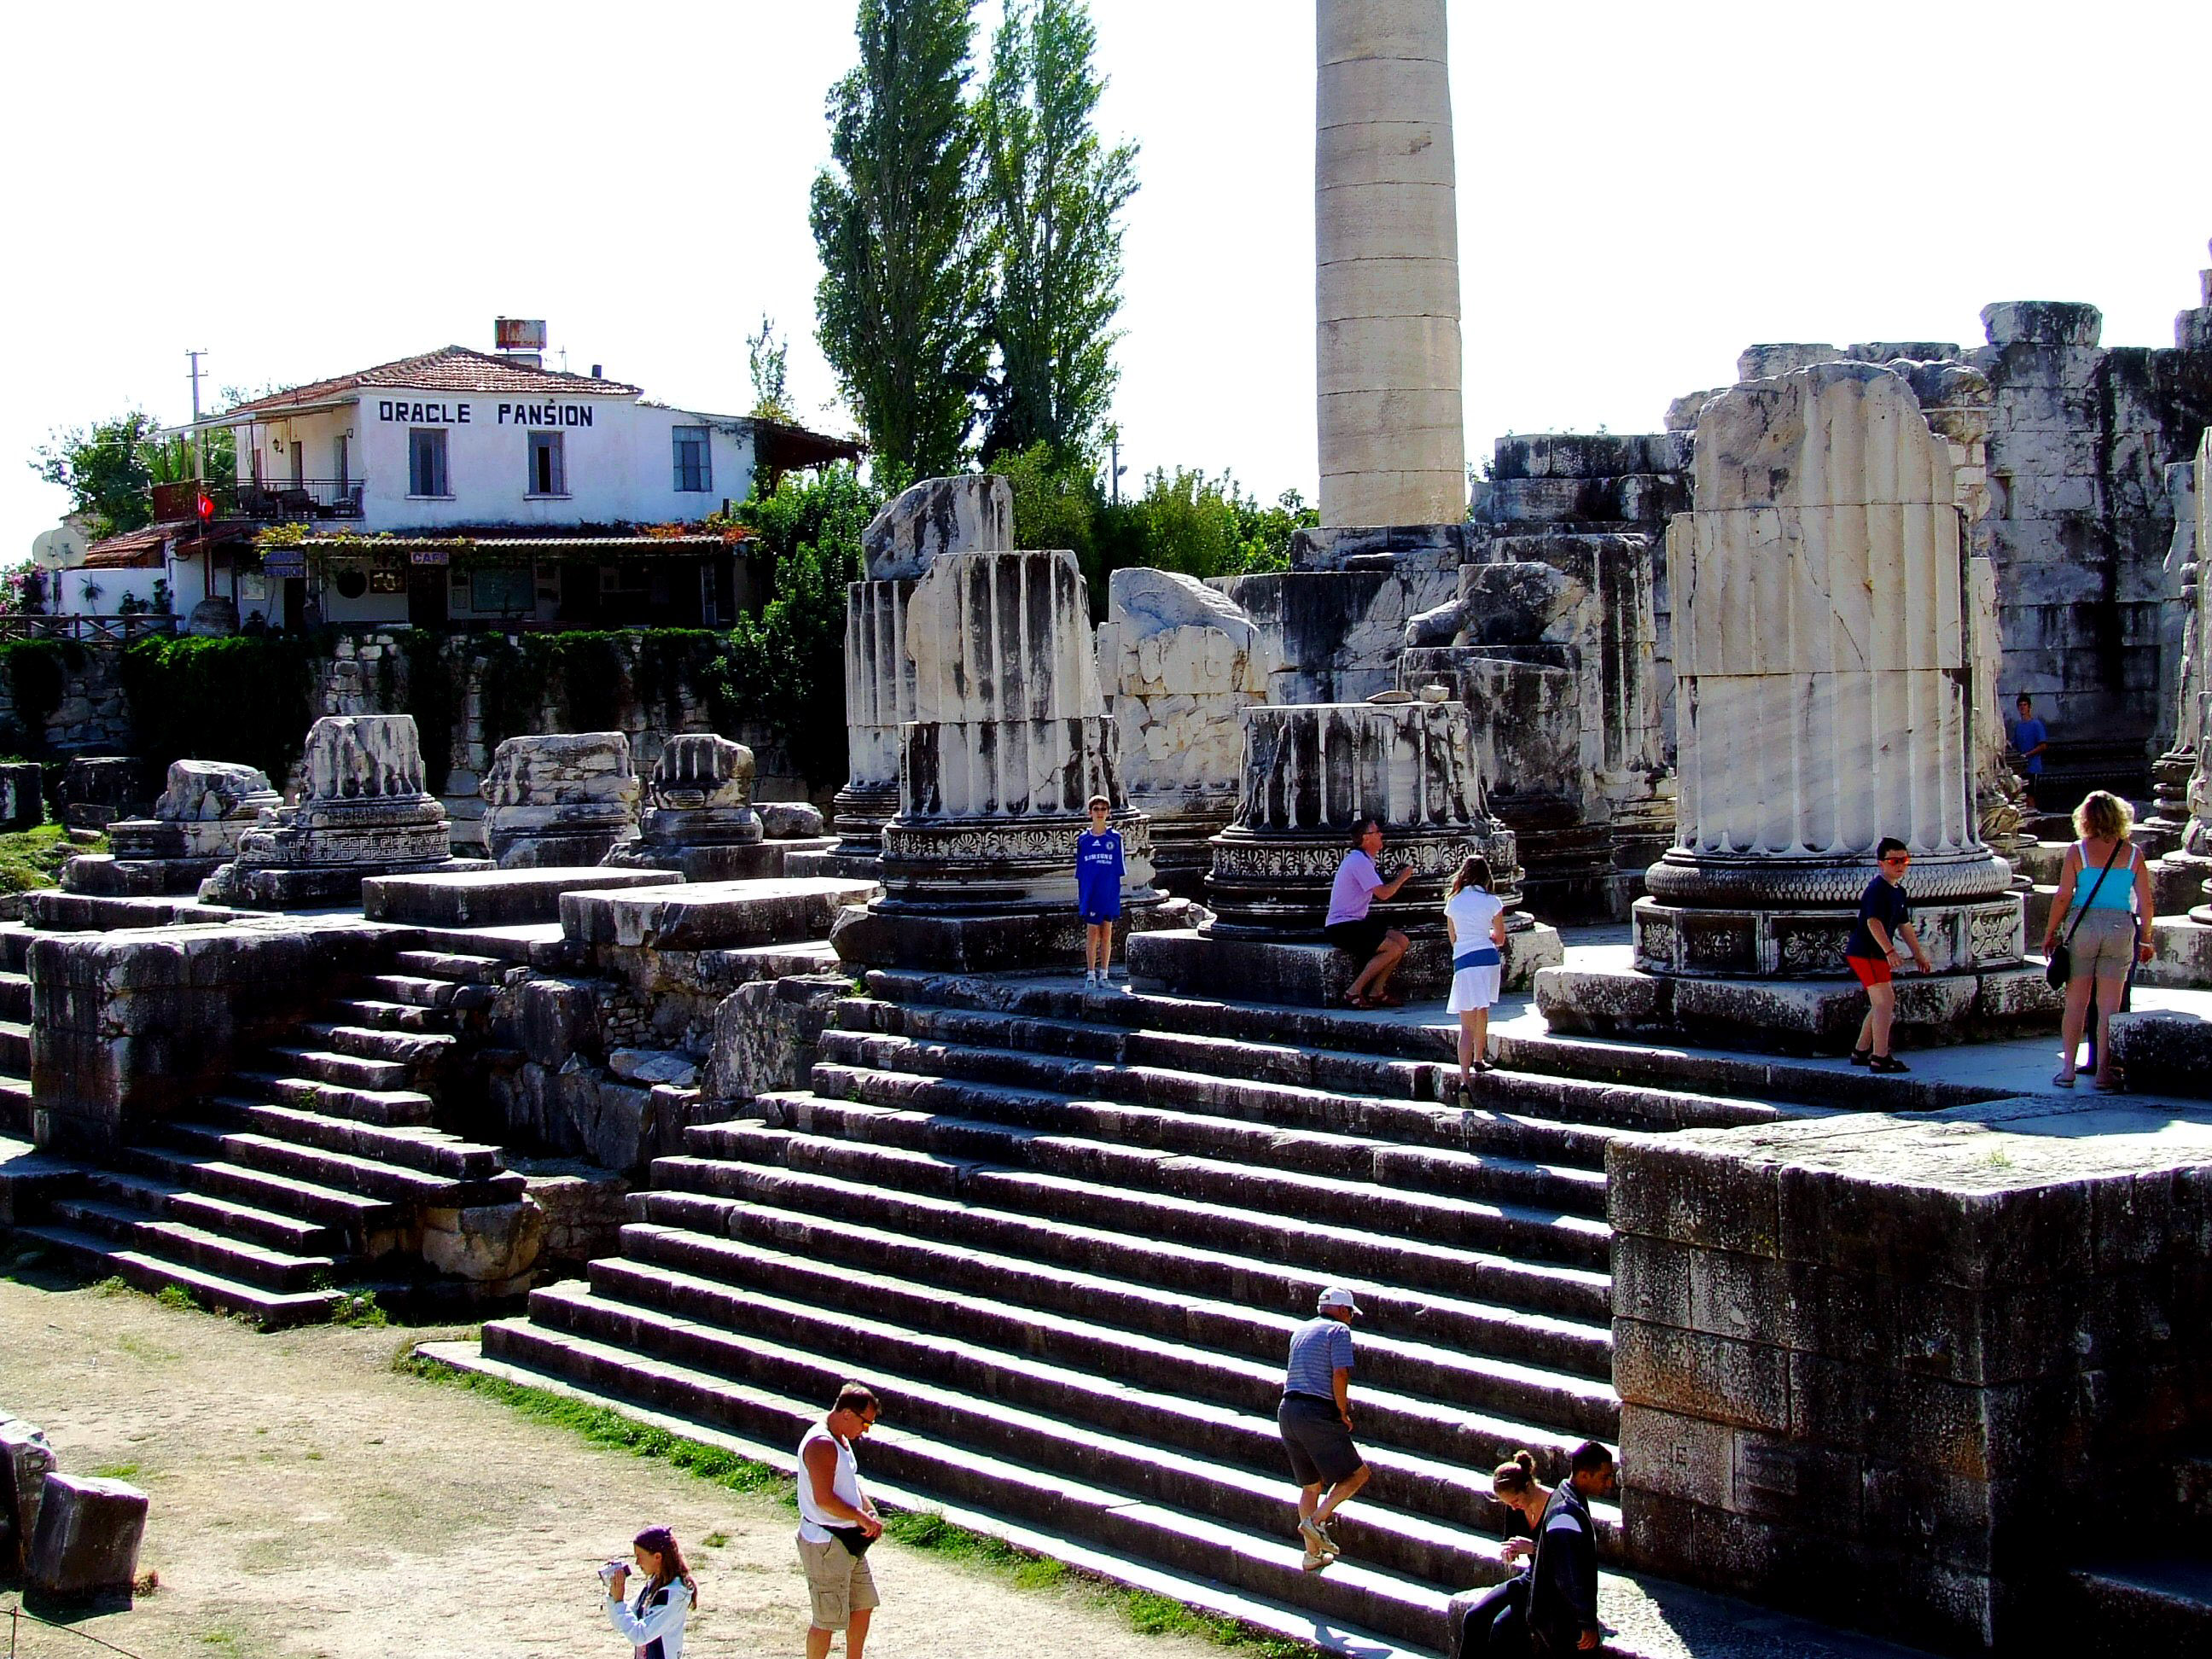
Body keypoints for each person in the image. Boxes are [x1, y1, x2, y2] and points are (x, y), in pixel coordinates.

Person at [2043, 789, 2157, 1091]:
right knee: (2110, 1004)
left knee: (2076, 1001)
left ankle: (2068, 1069)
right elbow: (2146, 901)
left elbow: (2064, 895)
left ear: (2085, 818)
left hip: (2084, 924)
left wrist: (2050, 932)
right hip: (2120, 925)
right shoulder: (2132, 853)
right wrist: (2146, 939)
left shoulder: (2077, 851)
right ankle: (2105, 1071)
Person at [1278, 1286, 1370, 1571]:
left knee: (1311, 1486)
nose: (1351, 1319)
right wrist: (1342, 1412)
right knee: (1357, 1475)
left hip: (1287, 1410)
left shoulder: (1301, 1331)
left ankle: (1312, 1556)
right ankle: (1315, 1522)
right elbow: (1340, 1373)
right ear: (1342, 1310)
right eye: (1351, 1313)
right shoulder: (1338, 1331)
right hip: (1315, 1411)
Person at [798, 1382, 884, 1659]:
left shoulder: (841, 1439)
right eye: (865, 1423)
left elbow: (849, 1481)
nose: (866, 1430)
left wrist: (869, 1510)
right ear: (847, 1414)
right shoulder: (821, 1444)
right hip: (827, 1542)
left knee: (863, 1605)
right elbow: (824, 1499)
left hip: (848, 1540)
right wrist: (861, 1517)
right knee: (827, 1620)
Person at [1446, 1451, 1550, 1658]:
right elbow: (1511, 1541)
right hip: (1530, 1578)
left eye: (1516, 1500)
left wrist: (1535, 1548)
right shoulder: (1516, 1508)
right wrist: (1510, 1552)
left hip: (1551, 1585)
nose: (1514, 1507)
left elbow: (1569, 1554)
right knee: (1474, 1617)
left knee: (1502, 1628)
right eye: (1509, 1503)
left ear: (1529, 1486)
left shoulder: (1557, 1505)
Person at [1844, 837, 1931, 1075]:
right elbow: (1873, 922)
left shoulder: (1898, 891)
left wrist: (1919, 955)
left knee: (1881, 1002)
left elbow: (1904, 925)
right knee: (1884, 1003)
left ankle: (1861, 1051)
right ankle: (1880, 1057)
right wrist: (1889, 950)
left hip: (1874, 953)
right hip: (1867, 952)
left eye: (1904, 860)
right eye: (1894, 861)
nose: (1900, 865)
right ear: (1881, 863)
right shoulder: (1876, 890)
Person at [1527, 1441, 1615, 1655]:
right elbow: (1569, 1574)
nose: (1610, 1483)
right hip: (1559, 1621)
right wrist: (1586, 1622)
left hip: (1557, 1616)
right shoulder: (1566, 1511)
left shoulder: (1567, 1497)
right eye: (1604, 1477)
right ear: (1584, 1475)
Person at [1327, 819, 1417, 1010]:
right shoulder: (1358, 861)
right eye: (1377, 832)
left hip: (1356, 922)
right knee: (1392, 948)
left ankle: (1377, 991)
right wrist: (1403, 877)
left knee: (1402, 941)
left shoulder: (1364, 860)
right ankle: (1353, 991)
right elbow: (1384, 894)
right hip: (1343, 926)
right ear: (1366, 838)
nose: (1381, 835)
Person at [1444, 855, 1509, 1101]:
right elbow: (1500, 938)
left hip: (1465, 961)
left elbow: (1454, 940)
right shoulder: (1492, 901)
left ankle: (1465, 1079)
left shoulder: (1453, 902)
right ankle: (1480, 1059)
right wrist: (1489, 936)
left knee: (1466, 1026)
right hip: (1487, 958)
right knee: (1483, 1008)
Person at [601, 1524, 696, 1659]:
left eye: (640, 1556)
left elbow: (641, 1635)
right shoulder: (655, 1585)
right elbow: (622, 1623)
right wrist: (614, 1596)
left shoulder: (673, 1594)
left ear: (657, 1557)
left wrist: (619, 1602)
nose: (637, 1562)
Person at [1075, 794, 1125, 987]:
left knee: (1107, 932)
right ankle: (1090, 974)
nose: (1100, 813)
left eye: (1103, 809)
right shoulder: (1083, 840)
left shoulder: (1115, 838)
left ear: (1108, 813)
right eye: (1096, 809)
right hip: (1091, 891)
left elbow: (1119, 869)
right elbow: (1080, 871)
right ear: (1090, 813)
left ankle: (1104, 974)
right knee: (1092, 932)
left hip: (1109, 891)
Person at [2010, 695, 2049, 809]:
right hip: (2021, 769)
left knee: (2031, 795)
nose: (2022, 707)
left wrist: (2027, 755)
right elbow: (2015, 744)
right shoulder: (2018, 726)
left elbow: (2043, 745)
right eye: (2020, 705)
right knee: (2023, 796)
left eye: (2025, 705)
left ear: (2029, 707)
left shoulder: (2036, 725)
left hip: (2033, 768)